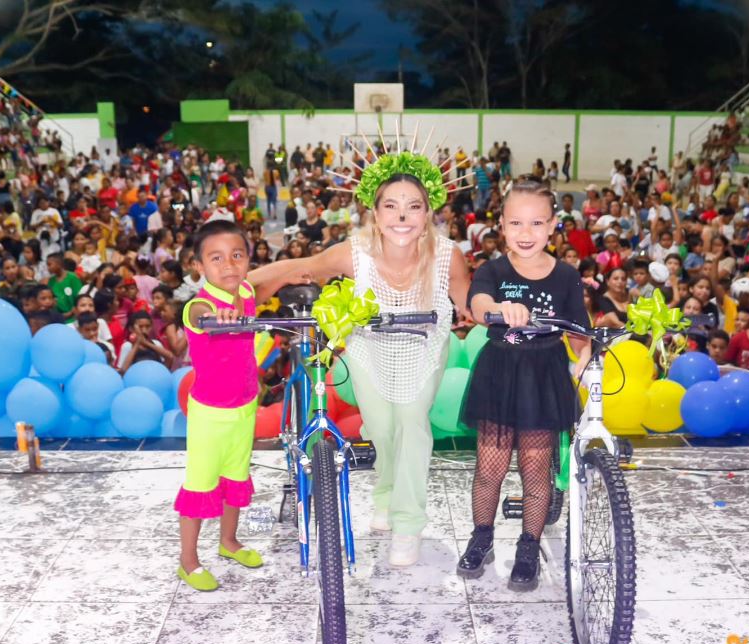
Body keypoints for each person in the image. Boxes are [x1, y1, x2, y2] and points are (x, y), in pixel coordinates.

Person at [249, 151, 471, 567]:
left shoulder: (447, 255)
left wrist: (499, 307)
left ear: (427, 214)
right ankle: (386, 494)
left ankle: (408, 524)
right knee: (382, 429)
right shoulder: (354, 252)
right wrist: (239, 288)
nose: (401, 216)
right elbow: (303, 267)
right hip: (371, 349)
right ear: (375, 211)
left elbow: (469, 300)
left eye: (413, 206)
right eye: (391, 205)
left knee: (413, 425)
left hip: (424, 348)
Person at [456, 177, 591, 590]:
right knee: (490, 468)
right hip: (500, 374)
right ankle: (482, 536)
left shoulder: (566, 276)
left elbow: (579, 333)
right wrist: (500, 307)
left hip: (544, 376)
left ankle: (529, 545)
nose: (526, 233)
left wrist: (582, 363)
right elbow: (477, 305)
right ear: (502, 225)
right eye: (516, 224)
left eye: (536, 224)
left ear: (552, 226)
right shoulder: (492, 270)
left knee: (535, 472)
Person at [176, 220, 263, 592]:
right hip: (211, 415)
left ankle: (228, 542)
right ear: (199, 266)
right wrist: (216, 318)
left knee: (236, 478)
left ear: (248, 259)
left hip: (245, 407)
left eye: (237, 256)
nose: (228, 265)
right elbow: (198, 318)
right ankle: (188, 560)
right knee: (200, 485)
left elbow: (264, 278)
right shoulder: (198, 306)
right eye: (216, 259)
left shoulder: (245, 288)